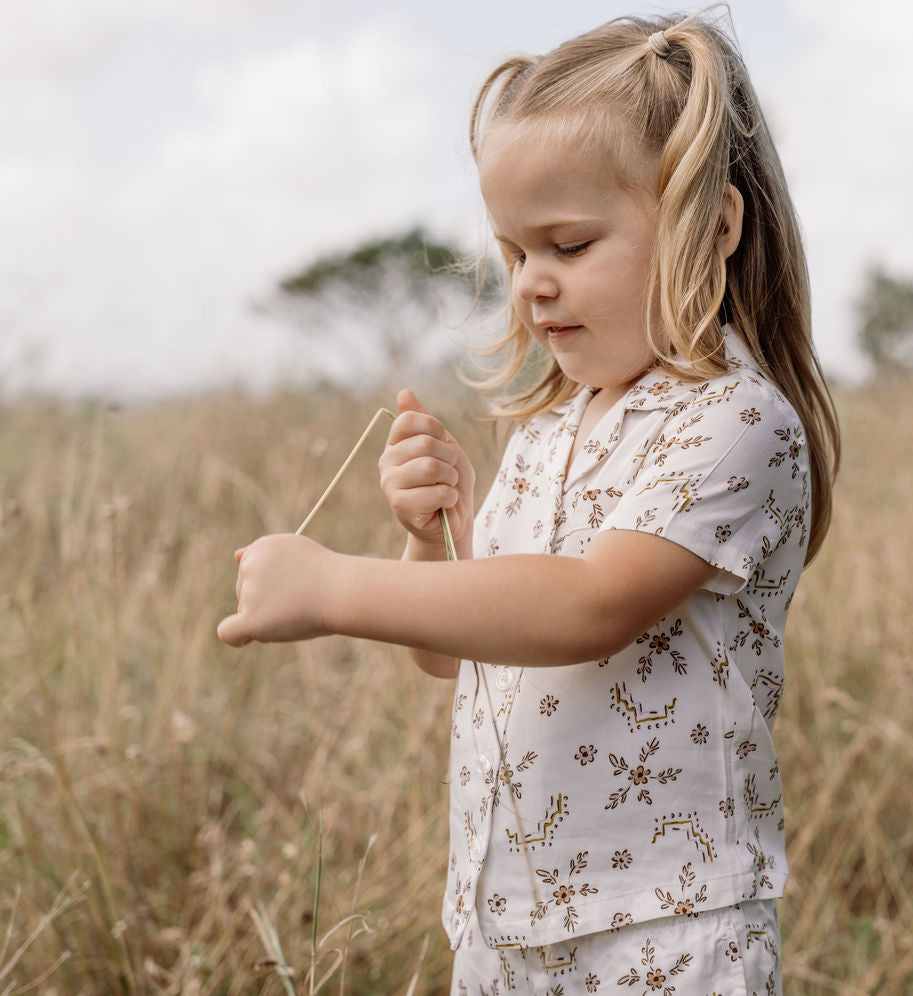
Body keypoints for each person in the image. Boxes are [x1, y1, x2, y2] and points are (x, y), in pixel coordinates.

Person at [219, 11, 840, 994]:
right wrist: (433, 541)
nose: (530, 287)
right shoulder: (547, 433)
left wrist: (335, 588)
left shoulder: (733, 422)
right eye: (514, 255)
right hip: (504, 923)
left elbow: (589, 606)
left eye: (569, 244)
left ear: (713, 227)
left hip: (667, 930)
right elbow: (452, 654)